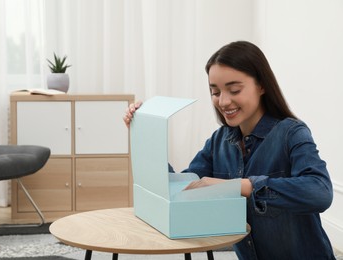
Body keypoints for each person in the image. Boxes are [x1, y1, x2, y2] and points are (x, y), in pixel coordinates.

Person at [123, 41, 336, 260]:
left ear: (262, 85)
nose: (223, 101)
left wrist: (241, 186)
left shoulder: (292, 133)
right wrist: (142, 132)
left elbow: (320, 192)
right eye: (215, 92)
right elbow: (181, 187)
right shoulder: (219, 140)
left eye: (234, 90)